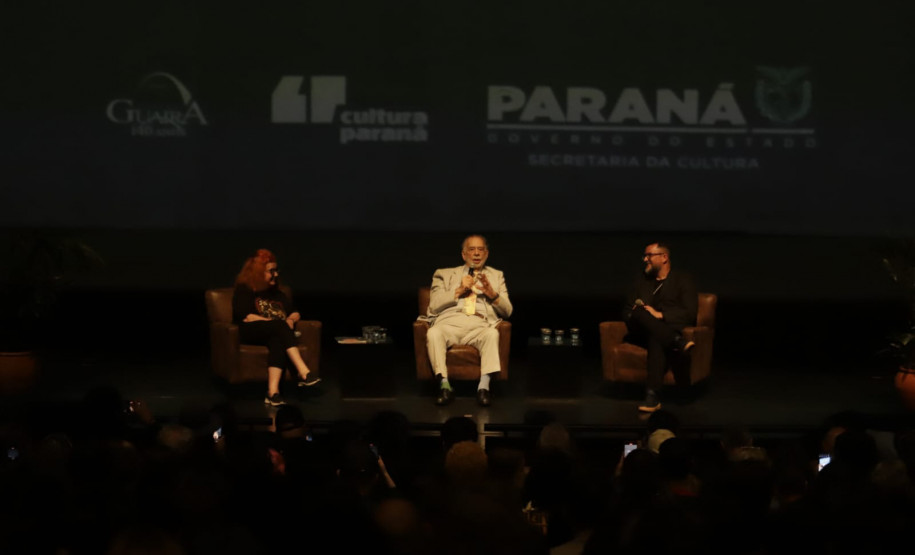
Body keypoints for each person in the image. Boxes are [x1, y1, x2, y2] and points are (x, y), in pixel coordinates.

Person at [423, 235, 512, 407]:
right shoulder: (444, 274)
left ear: (486, 254)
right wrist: (459, 290)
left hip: (479, 324)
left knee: (492, 334)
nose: (476, 254)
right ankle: (445, 386)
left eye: (480, 250)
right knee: (434, 333)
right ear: (464, 255)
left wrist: (492, 294)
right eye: (472, 250)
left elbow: (508, 311)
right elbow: (433, 306)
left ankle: (483, 388)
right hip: (450, 322)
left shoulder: (496, 276)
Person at [232, 249, 320, 407]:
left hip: (276, 332)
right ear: (259, 272)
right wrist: (275, 322)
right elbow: (246, 317)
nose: (276, 274)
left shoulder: (277, 293)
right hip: (250, 332)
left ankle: (272, 393)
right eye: (271, 271)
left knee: (278, 340)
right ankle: (303, 372)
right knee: (279, 326)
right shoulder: (245, 290)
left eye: (276, 270)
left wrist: (291, 319)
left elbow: (294, 311)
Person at [623, 242, 697, 413]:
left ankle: (652, 395)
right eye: (645, 256)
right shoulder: (641, 280)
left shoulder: (682, 281)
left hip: (660, 332)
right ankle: (677, 342)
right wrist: (643, 314)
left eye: (649, 255)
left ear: (664, 258)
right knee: (640, 312)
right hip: (638, 331)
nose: (645, 259)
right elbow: (627, 310)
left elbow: (690, 313)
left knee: (656, 338)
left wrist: (660, 315)